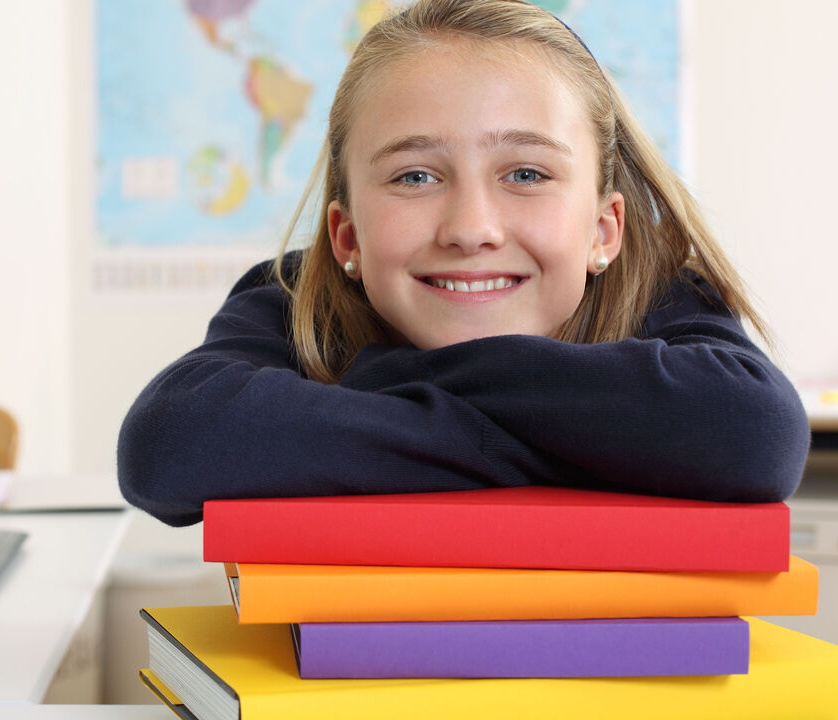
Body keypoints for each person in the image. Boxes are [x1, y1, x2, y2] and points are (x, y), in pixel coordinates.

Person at [117, 0, 809, 527]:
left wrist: (376, 384)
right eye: (415, 177)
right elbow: (169, 444)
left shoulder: (660, 294)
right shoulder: (296, 301)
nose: (471, 229)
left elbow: (755, 433)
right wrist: (585, 445)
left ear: (604, 232)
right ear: (347, 238)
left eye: (528, 174)